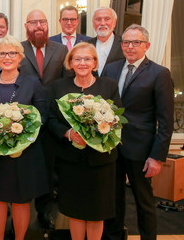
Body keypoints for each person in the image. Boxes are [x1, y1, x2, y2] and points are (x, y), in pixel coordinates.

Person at [0, 35, 49, 240]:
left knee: (20, 199)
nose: (7, 57)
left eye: (12, 53)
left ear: (20, 57)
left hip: (23, 154)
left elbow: (42, 116)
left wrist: (22, 137)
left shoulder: (32, 83)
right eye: (2, 53)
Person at [102, 25, 174, 240]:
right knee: (113, 199)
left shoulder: (159, 73)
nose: (130, 47)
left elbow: (166, 120)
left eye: (136, 42)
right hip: (111, 146)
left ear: (147, 46)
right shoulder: (111, 69)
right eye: (126, 42)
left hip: (142, 149)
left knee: (144, 200)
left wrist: (157, 157)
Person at [48, 42, 122, 240]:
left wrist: (100, 131)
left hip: (101, 161)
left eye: (87, 58)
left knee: (97, 211)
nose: (82, 63)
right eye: (77, 59)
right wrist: (68, 134)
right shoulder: (59, 86)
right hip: (71, 160)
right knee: (76, 209)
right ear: (70, 63)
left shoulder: (109, 86)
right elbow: (51, 120)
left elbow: (118, 121)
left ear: (95, 63)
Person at [19, 9, 68, 229]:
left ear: (48, 25)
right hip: (23, 120)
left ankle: (44, 211)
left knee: (47, 170)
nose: (38, 26)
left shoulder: (61, 49)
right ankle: (19, 210)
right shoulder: (17, 49)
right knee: (23, 167)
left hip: (52, 121)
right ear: (26, 26)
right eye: (33, 22)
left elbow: (66, 83)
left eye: (42, 22)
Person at [87, 7, 124, 75]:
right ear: (93, 23)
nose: (103, 23)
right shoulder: (86, 45)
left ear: (114, 22)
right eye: (98, 19)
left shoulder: (125, 44)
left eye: (107, 19)